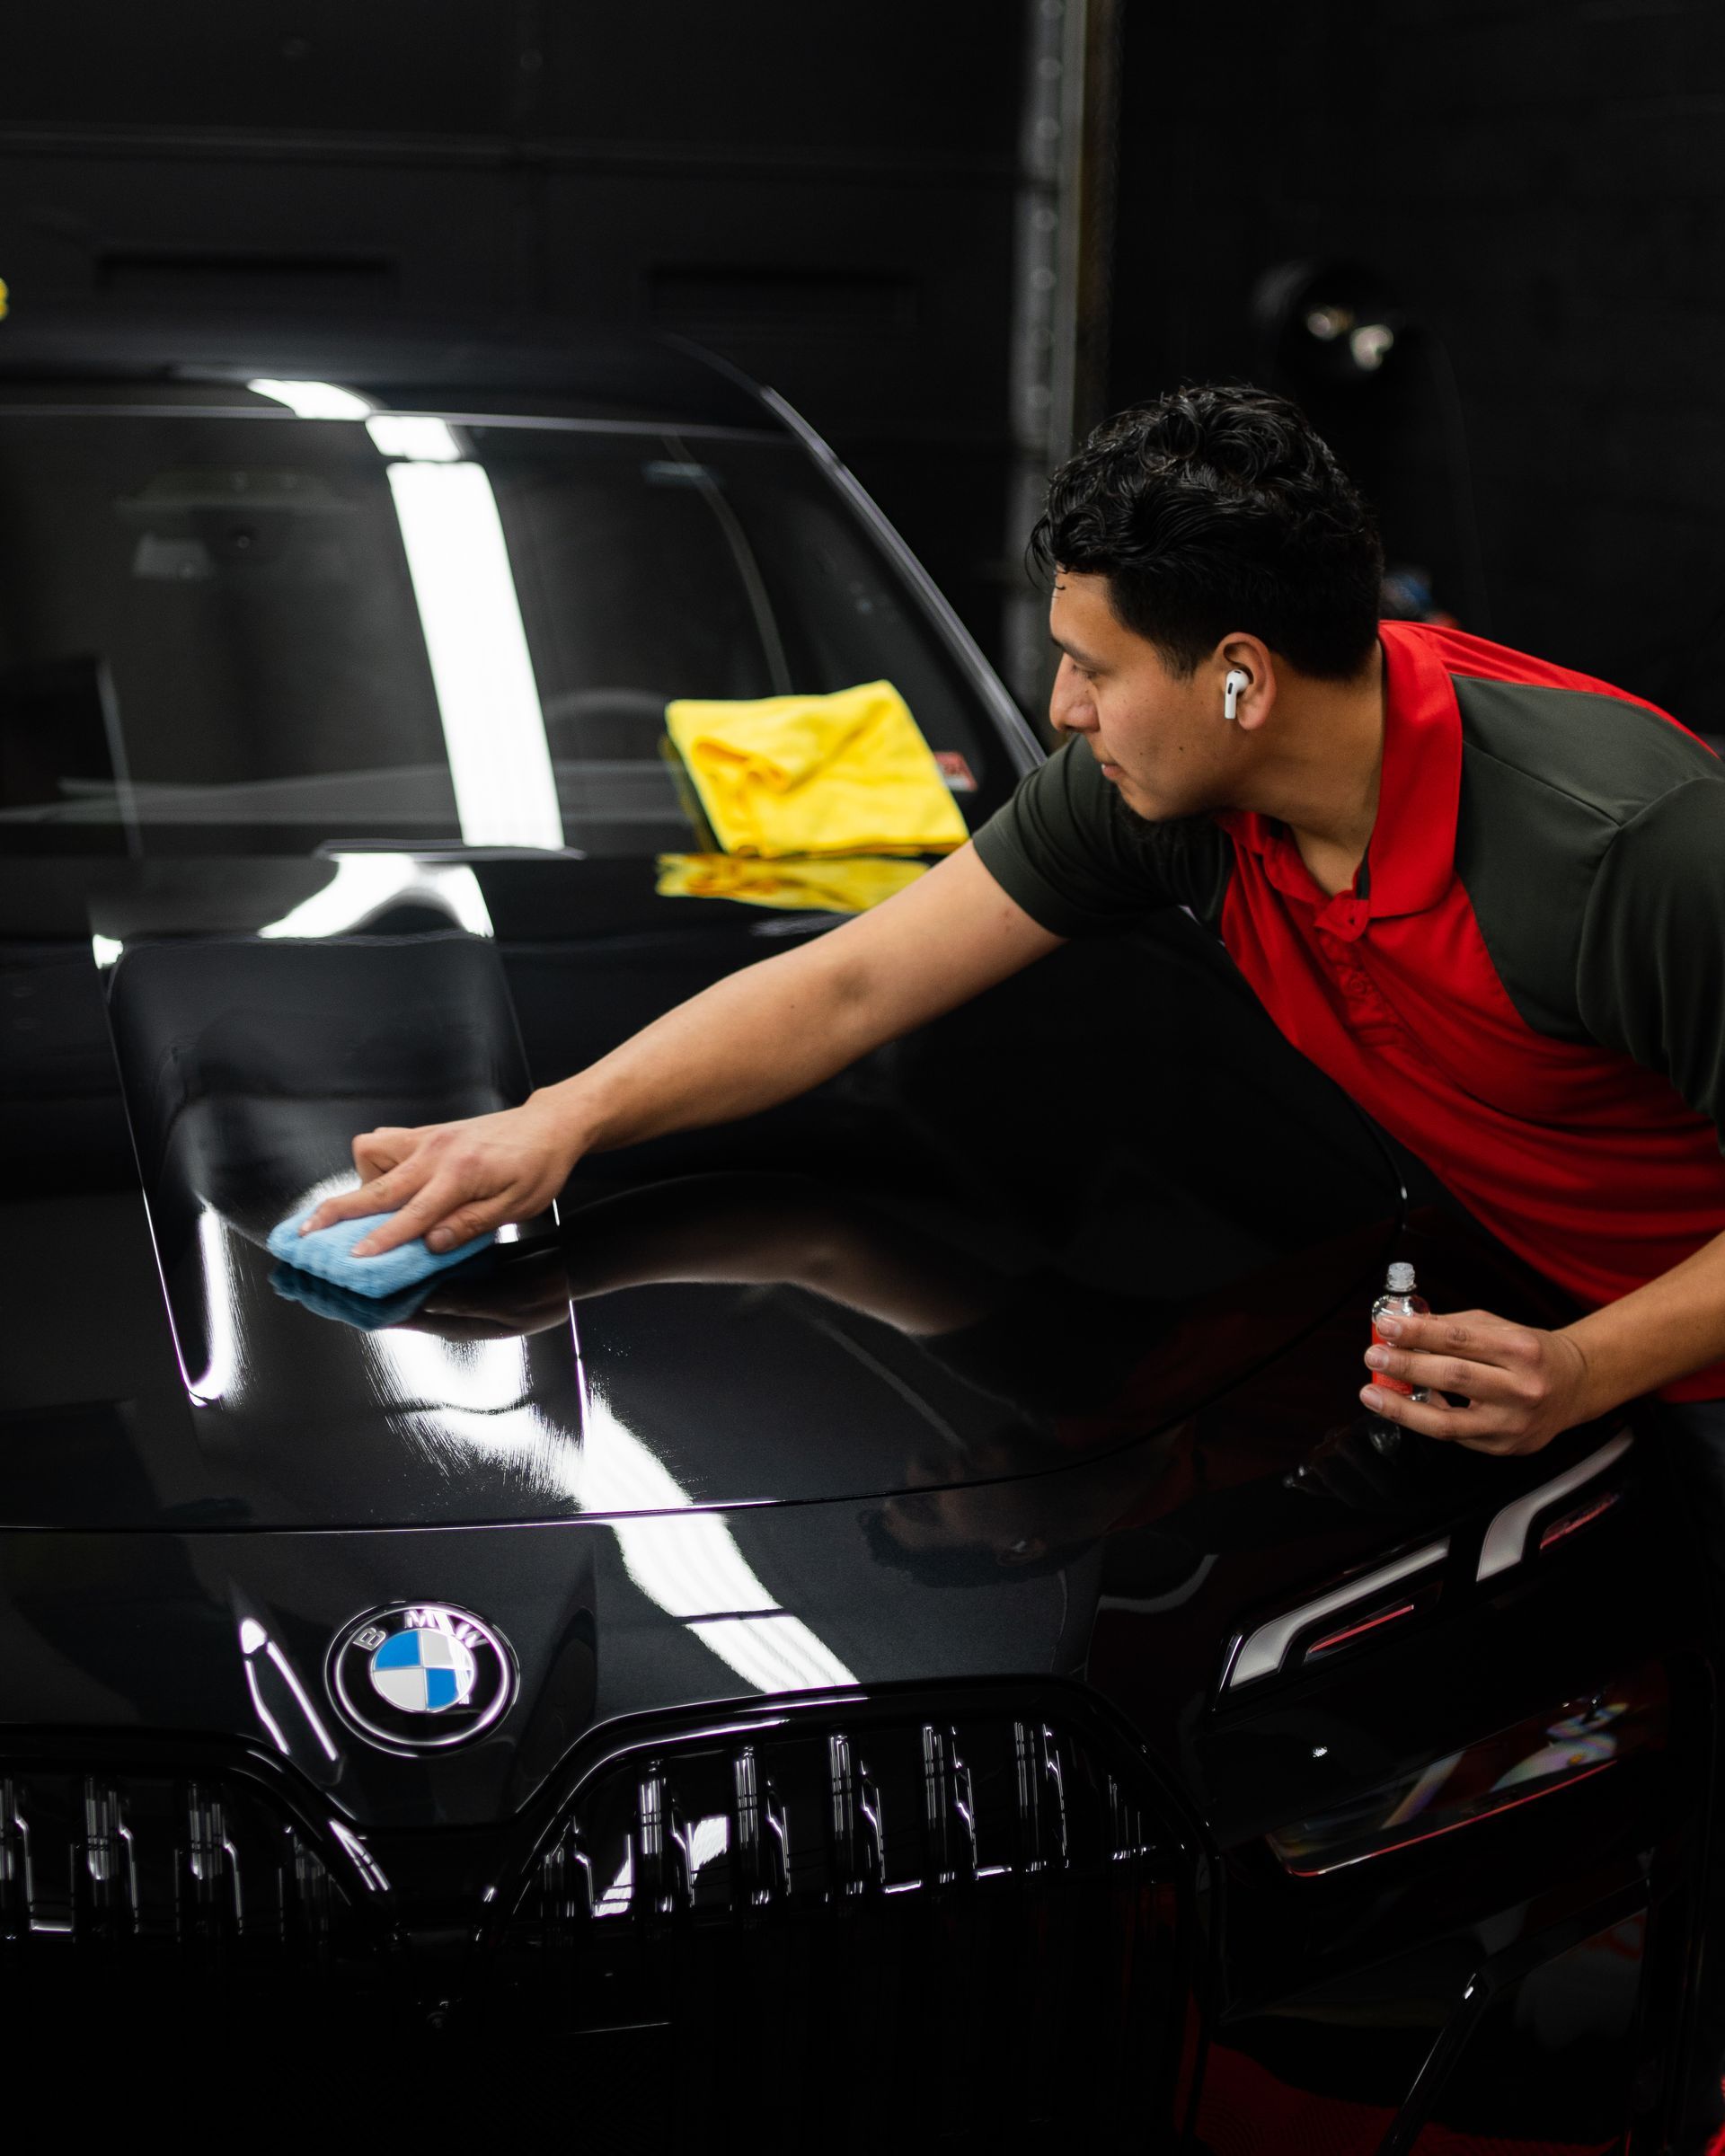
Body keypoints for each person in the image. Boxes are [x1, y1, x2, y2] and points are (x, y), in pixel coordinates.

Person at [305, 382, 1725, 2136]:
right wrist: (559, 1124)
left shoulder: (1624, 847)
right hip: (1558, 1330)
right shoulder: (1169, 798)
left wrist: (1590, 1364)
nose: (1058, 705)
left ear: (1238, 680)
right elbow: (852, 983)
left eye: (1088, 665)